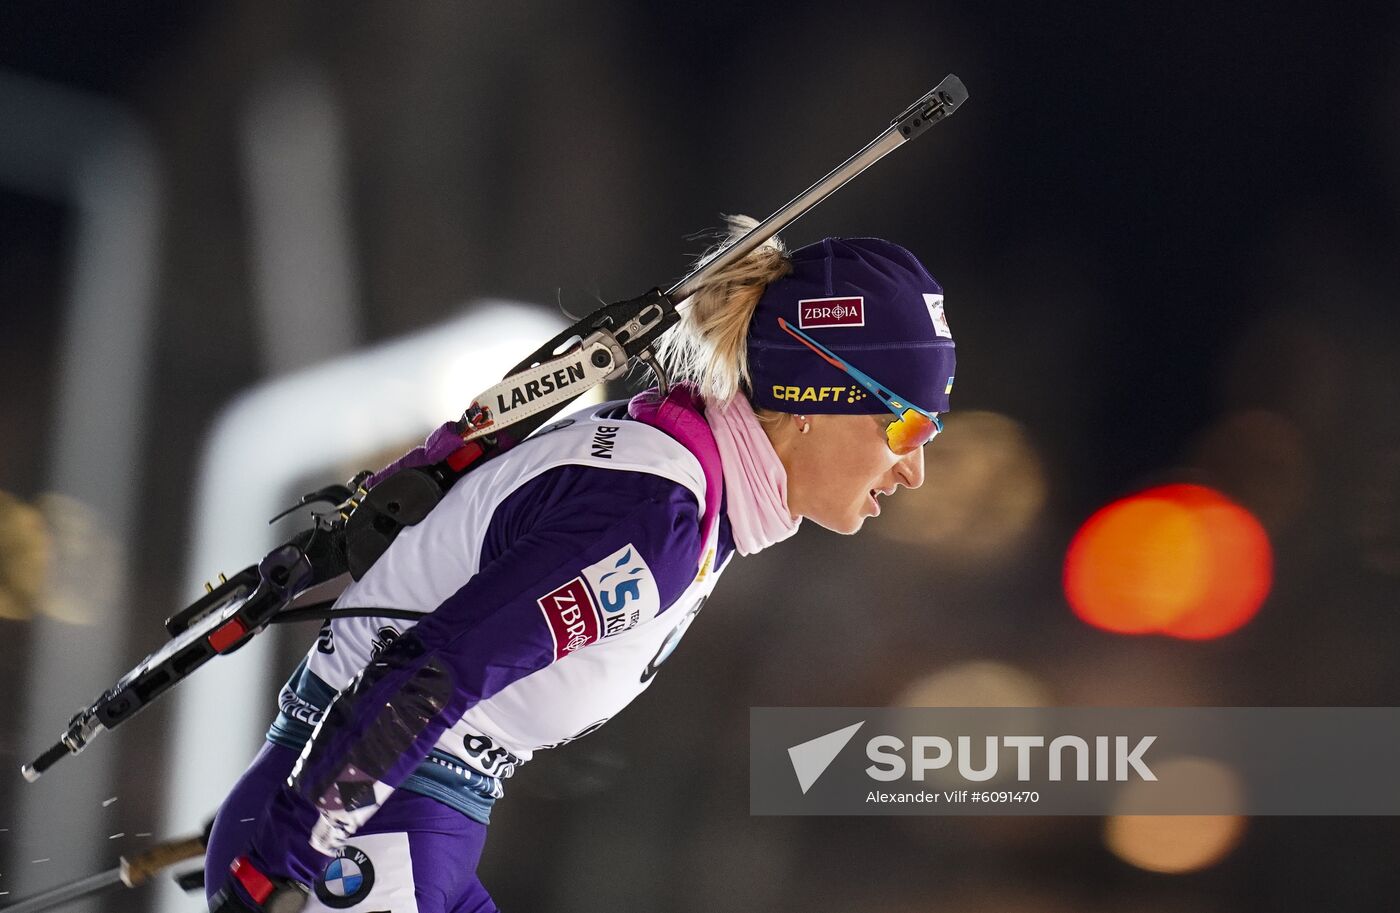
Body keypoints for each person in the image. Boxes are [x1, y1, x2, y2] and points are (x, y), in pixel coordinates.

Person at [204, 217, 957, 912]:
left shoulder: (684, 473)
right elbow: (435, 667)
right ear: (813, 397)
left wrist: (296, 801)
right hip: (371, 838)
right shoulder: (654, 517)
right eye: (907, 425)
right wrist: (288, 848)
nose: (916, 469)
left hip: (403, 819)